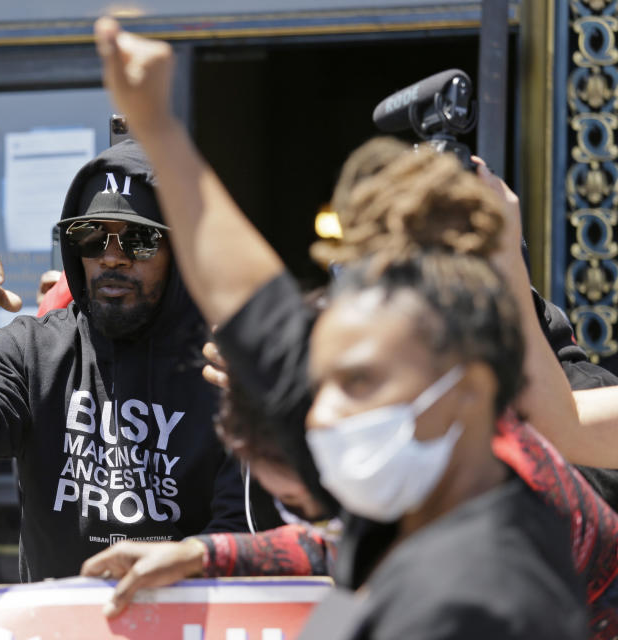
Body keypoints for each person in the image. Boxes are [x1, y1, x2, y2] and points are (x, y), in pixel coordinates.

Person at [89, 18, 595, 637]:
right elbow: (254, 305)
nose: (323, 414)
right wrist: (158, 129)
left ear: (470, 386)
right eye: (322, 379)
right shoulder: (420, 467)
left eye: (356, 381)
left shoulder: (482, 597)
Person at [0, 140, 248, 582]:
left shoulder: (219, 366)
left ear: (178, 252)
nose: (111, 256)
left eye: (139, 239)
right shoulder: (34, 351)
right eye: (91, 236)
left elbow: (242, 525)